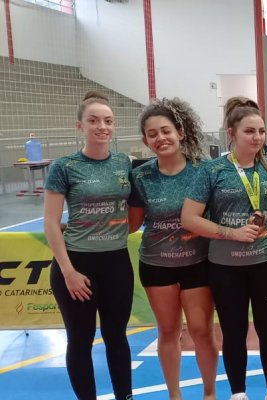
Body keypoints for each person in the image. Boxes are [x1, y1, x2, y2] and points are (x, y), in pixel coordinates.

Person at [182, 97, 267, 400]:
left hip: (265, 262)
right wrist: (231, 233)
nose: (257, 138)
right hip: (225, 267)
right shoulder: (212, 171)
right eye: (249, 131)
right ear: (232, 133)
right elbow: (189, 218)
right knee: (234, 332)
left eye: (261, 131)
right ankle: (238, 393)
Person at [43, 91, 134, 400]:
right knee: (80, 340)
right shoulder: (64, 167)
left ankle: (126, 396)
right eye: (93, 121)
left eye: (108, 121)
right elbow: (51, 223)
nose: (101, 127)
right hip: (77, 266)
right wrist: (68, 272)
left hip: (117, 264)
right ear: (79, 125)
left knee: (117, 338)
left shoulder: (124, 162)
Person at [128, 98, 217, 400]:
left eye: (165, 131)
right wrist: (78, 226)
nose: (160, 138)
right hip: (156, 264)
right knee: (168, 331)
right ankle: (175, 395)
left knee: (201, 331)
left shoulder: (203, 171)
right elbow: (131, 223)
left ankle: (209, 393)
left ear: (179, 132)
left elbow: (218, 213)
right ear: (145, 140)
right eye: (152, 134)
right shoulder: (140, 176)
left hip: (198, 263)